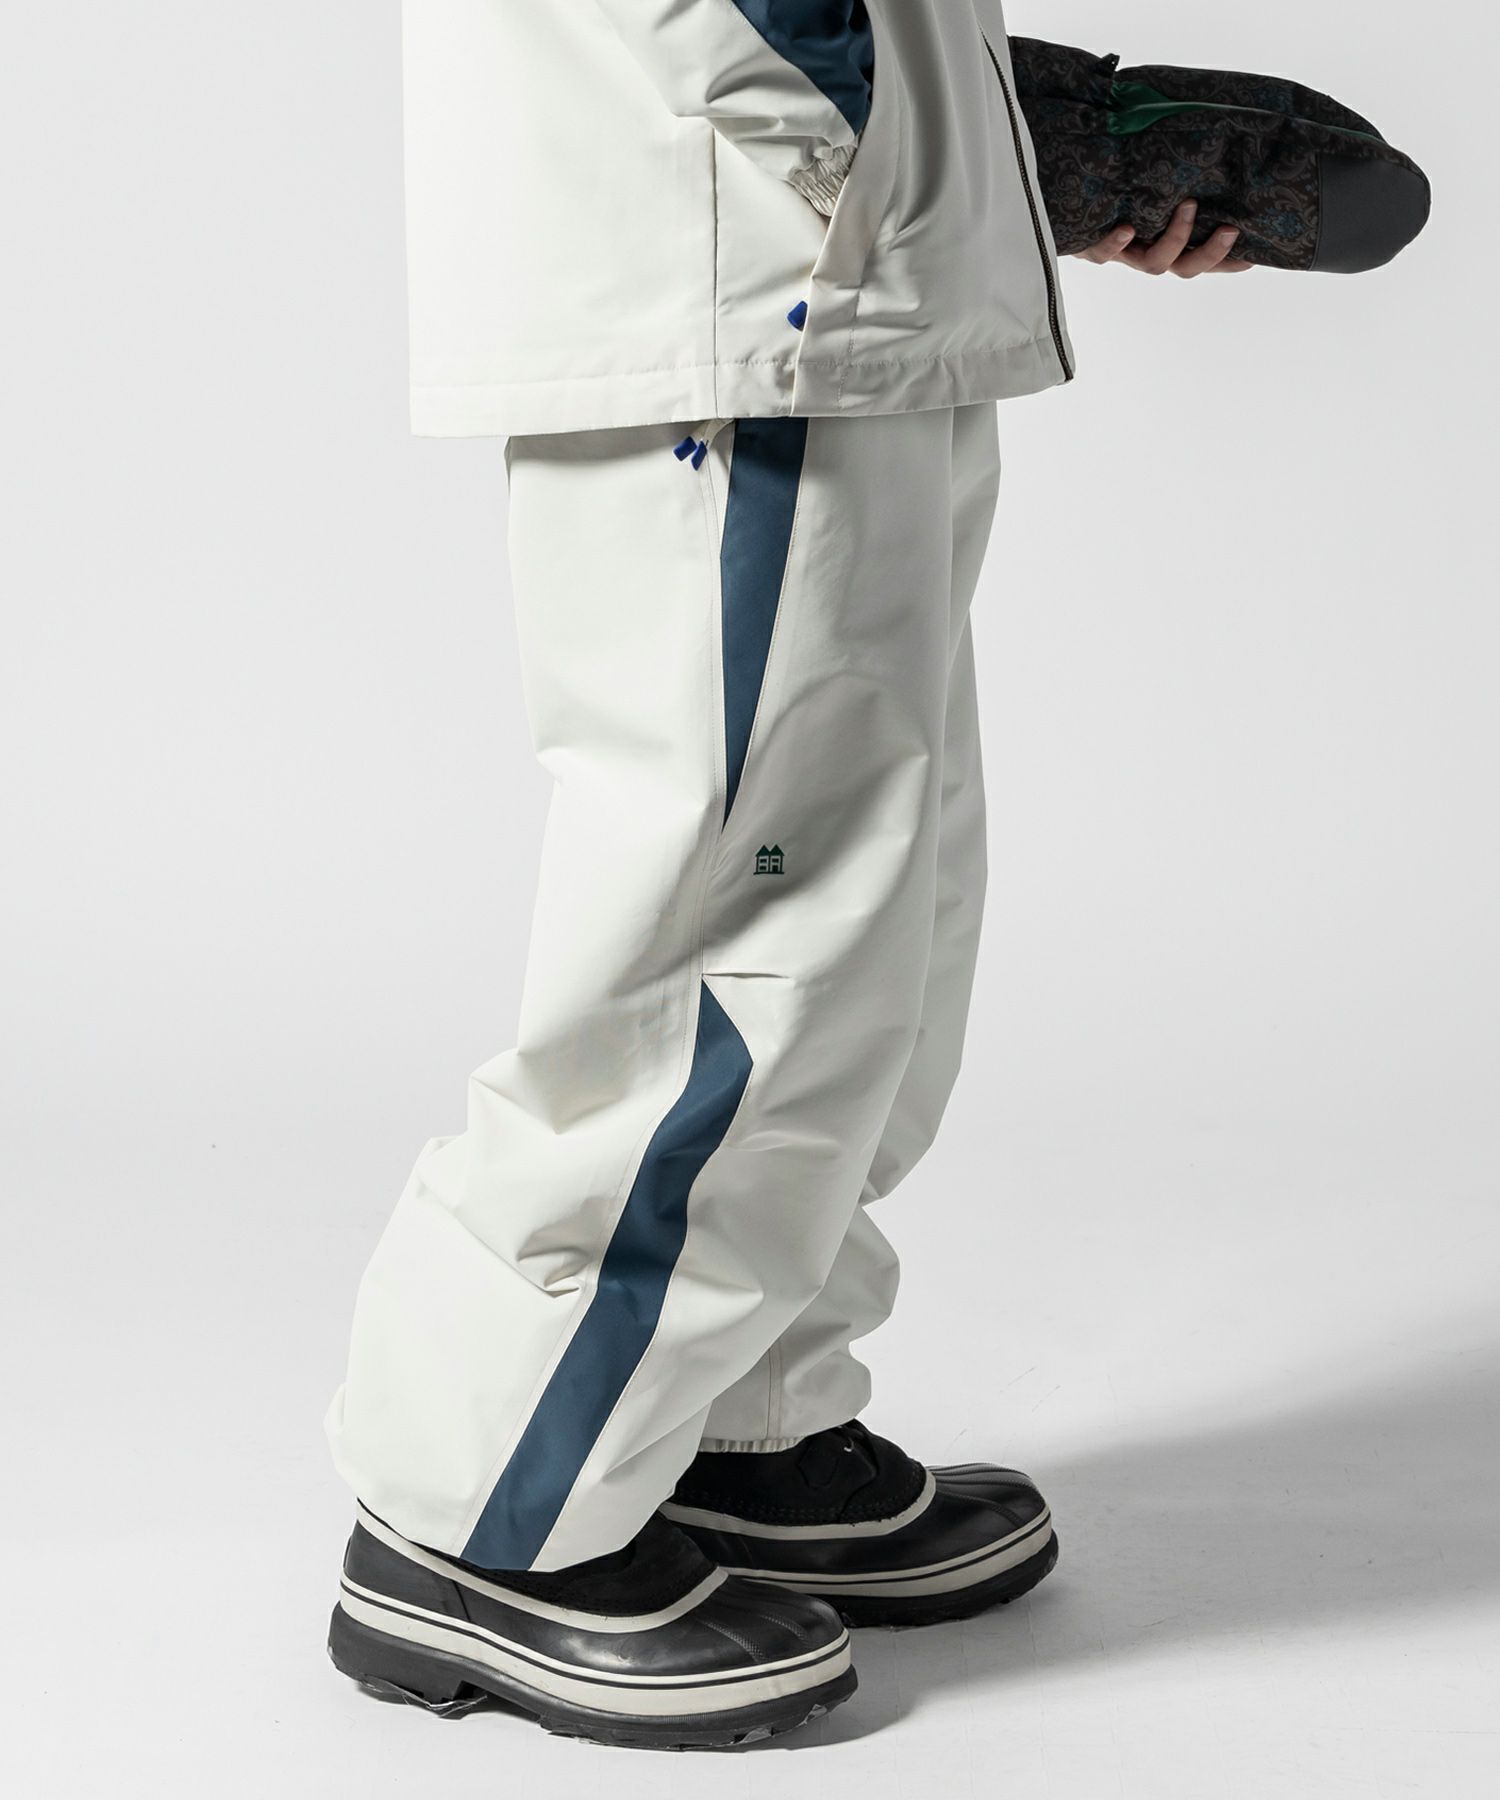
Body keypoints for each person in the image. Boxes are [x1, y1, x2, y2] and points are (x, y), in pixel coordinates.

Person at [324, 0, 1249, 1750]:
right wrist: (916, 136)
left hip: (834, 248)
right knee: (742, 948)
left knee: (884, 925)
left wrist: (992, 134)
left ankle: (727, 1425)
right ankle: (483, 1508)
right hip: (749, 250)